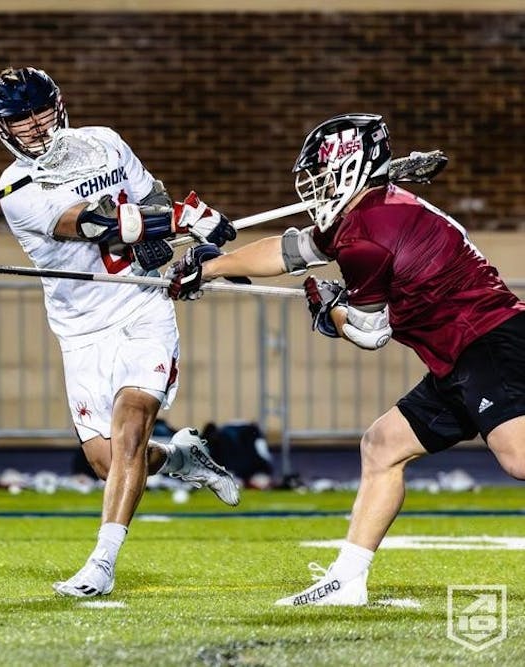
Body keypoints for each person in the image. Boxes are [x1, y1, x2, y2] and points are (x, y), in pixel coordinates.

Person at [167, 113, 525, 606]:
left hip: (485, 340)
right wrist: (211, 268)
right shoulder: (365, 214)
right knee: (382, 446)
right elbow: (289, 251)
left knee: (519, 457)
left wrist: (328, 309)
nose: (315, 186)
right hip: (457, 352)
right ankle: (347, 579)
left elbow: (368, 332)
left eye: (321, 173)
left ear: (351, 166)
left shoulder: (366, 234)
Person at [0, 66, 241, 598]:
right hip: (80, 330)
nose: (35, 125)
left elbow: (149, 196)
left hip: (140, 307)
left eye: (41, 111)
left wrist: (175, 227)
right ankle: (179, 458)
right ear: (4, 128)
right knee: (110, 462)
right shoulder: (16, 190)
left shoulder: (105, 142)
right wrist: (184, 218)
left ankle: (101, 564)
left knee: (130, 427)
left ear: (58, 105)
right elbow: (96, 224)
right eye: (21, 119)